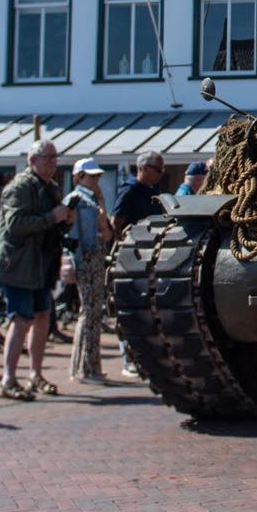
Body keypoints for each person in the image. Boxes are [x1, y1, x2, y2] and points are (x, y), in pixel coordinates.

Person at [0, 140, 70, 401]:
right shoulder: (19, 187)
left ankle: (35, 374)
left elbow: (51, 224)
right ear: (32, 160)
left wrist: (65, 220)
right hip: (19, 265)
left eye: (55, 158)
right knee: (21, 319)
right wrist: (53, 218)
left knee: (43, 316)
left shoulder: (51, 188)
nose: (53, 162)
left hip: (41, 264)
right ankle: (8, 379)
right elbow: (14, 225)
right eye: (48, 157)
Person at [111, 151, 168, 380]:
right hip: (133, 258)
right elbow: (116, 221)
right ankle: (129, 360)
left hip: (149, 260)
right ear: (143, 168)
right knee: (130, 309)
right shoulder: (130, 190)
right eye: (158, 169)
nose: (161, 174)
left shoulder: (153, 193)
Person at [64, 158, 109, 385]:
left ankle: (85, 367)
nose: (96, 180)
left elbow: (106, 231)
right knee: (89, 313)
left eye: (98, 176)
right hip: (87, 260)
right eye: (92, 176)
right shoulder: (76, 200)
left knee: (91, 313)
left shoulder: (91, 199)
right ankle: (86, 369)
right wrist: (77, 263)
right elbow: (73, 237)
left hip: (94, 259)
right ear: (79, 177)